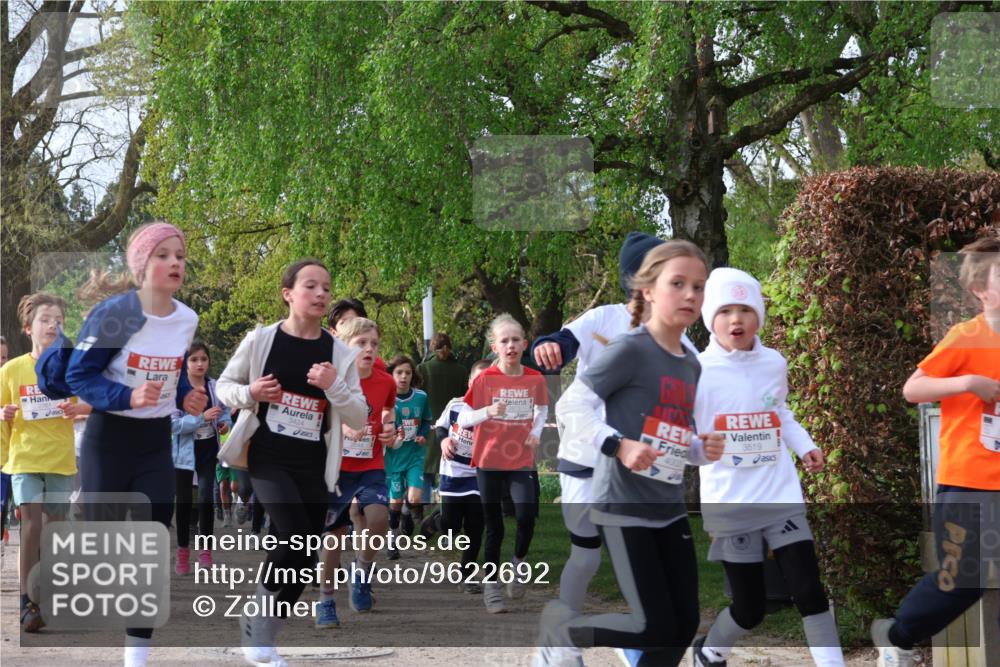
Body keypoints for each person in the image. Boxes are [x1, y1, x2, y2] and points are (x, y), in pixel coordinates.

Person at [535, 240, 725, 667]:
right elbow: (564, 355)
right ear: (644, 285)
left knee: (680, 622)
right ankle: (564, 633)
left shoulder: (690, 360)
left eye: (699, 285)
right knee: (591, 560)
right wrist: (618, 443)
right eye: (677, 282)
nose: (691, 295)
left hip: (663, 496)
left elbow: (678, 435)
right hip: (599, 468)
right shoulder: (614, 328)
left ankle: (599, 634)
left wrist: (700, 449)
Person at [56, 222, 208, 667]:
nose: (175, 262)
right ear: (142, 266)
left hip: (154, 440)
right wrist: (125, 396)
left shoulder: (187, 318)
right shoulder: (116, 313)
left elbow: (174, 373)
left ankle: (135, 658)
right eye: (163, 255)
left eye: (179, 254)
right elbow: (77, 376)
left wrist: (186, 395)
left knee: (151, 539)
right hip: (109, 438)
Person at [690, 268, 844, 667]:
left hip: (780, 495)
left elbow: (780, 412)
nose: (736, 320)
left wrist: (805, 445)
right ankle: (709, 652)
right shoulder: (696, 371)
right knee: (750, 607)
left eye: (745, 310)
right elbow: (682, 431)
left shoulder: (774, 362)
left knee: (809, 591)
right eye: (725, 311)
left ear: (759, 316)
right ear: (710, 318)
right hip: (732, 502)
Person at [216, 259, 367, 667]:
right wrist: (251, 392)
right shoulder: (262, 341)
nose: (321, 294)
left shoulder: (338, 353)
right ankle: (257, 630)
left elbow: (358, 416)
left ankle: (264, 631)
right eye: (311, 286)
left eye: (326, 288)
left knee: (305, 553)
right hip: (267, 457)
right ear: (288, 294)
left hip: (313, 463)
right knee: (293, 534)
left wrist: (333, 385)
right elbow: (224, 386)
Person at [871, 236, 1000, 667]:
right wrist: (967, 384)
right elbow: (913, 389)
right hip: (969, 482)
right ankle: (899, 637)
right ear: (980, 289)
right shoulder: (967, 337)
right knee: (961, 580)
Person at [1, 293, 90, 632]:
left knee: (53, 532)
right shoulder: (11, 370)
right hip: (23, 459)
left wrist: (77, 409)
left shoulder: (73, 366)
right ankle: (27, 602)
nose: (53, 325)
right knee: (31, 526)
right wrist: (3, 412)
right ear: (28, 328)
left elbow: (89, 404)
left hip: (61, 461)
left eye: (58, 320)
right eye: (45, 319)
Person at [458, 313, 548, 613]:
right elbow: (464, 417)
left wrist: (535, 433)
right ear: (494, 347)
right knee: (494, 526)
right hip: (489, 461)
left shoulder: (534, 378)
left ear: (524, 343)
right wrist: (487, 411)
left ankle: (518, 565)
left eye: (515, 340)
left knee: (525, 516)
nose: (510, 345)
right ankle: (492, 587)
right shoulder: (485, 378)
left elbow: (543, 410)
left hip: (520, 459)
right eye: (504, 341)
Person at [315, 316, 395, 628]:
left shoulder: (385, 380)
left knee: (378, 518)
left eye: (374, 343)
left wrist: (389, 428)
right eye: (361, 343)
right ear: (344, 348)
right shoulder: (333, 381)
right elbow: (321, 419)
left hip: (371, 465)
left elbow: (388, 409)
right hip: (337, 467)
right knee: (333, 538)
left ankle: (361, 573)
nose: (369, 349)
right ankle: (326, 600)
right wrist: (345, 428)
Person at [170, 342, 232, 574]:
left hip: (208, 450)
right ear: (185, 363)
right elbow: (173, 424)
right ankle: (183, 552)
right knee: (185, 502)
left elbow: (225, 412)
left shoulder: (214, 387)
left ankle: (206, 552)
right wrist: (200, 418)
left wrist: (225, 423)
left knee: (206, 499)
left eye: (203, 359)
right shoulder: (177, 390)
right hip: (183, 453)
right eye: (194, 359)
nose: (199, 364)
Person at [436, 359, 491, 593]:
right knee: (451, 527)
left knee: (475, 528)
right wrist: (444, 440)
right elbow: (440, 427)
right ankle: (436, 521)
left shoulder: (496, 411)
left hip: (479, 477)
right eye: (477, 380)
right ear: (469, 382)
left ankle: (467, 575)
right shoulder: (456, 406)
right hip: (452, 474)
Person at [385, 354, 433, 558]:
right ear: (392, 375)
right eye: (399, 372)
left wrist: (422, 435)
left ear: (413, 375)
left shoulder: (421, 397)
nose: (403, 376)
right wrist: (391, 433)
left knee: (414, 497)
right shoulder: (386, 399)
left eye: (407, 372)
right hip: (394, 457)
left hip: (414, 454)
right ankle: (392, 537)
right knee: (393, 502)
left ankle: (407, 511)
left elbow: (426, 421)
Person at [417, 333, 468, 516]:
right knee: (449, 471)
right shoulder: (462, 371)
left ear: (431, 348)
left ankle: (421, 511)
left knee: (425, 472)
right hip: (453, 429)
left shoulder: (422, 369)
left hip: (427, 427)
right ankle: (445, 511)